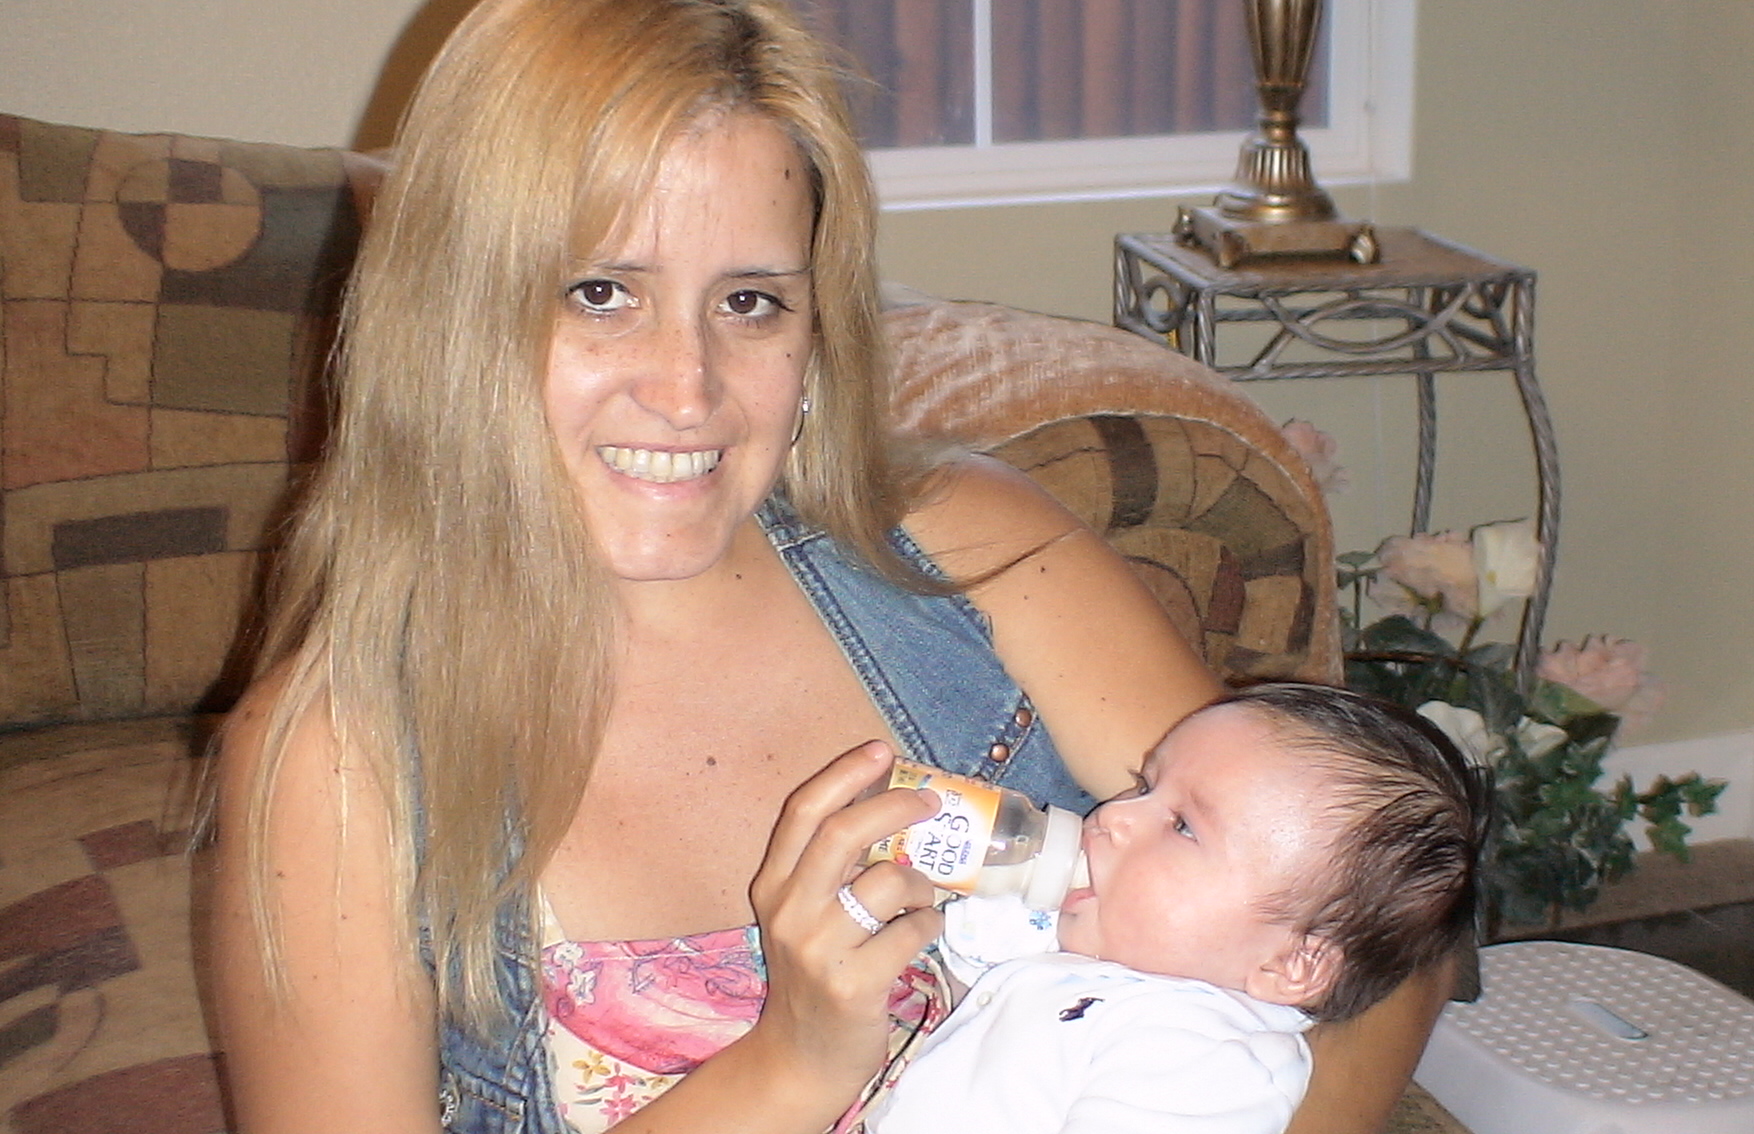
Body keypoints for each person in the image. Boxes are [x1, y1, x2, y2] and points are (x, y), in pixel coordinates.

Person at [202, 1, 1453, 1131]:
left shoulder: (975, 552)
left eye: (750, 302)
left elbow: (1377, 922)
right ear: (454, 316)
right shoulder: (337, 760)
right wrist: (793, 1062)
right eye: (600, 291)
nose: (686, 389)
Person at [860, 683, 1486, 1134]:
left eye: (1183, 825)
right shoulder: (1080, 946)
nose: (1113, 816)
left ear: (1289, 964)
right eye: (1143, 785)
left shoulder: (1203, 1059)